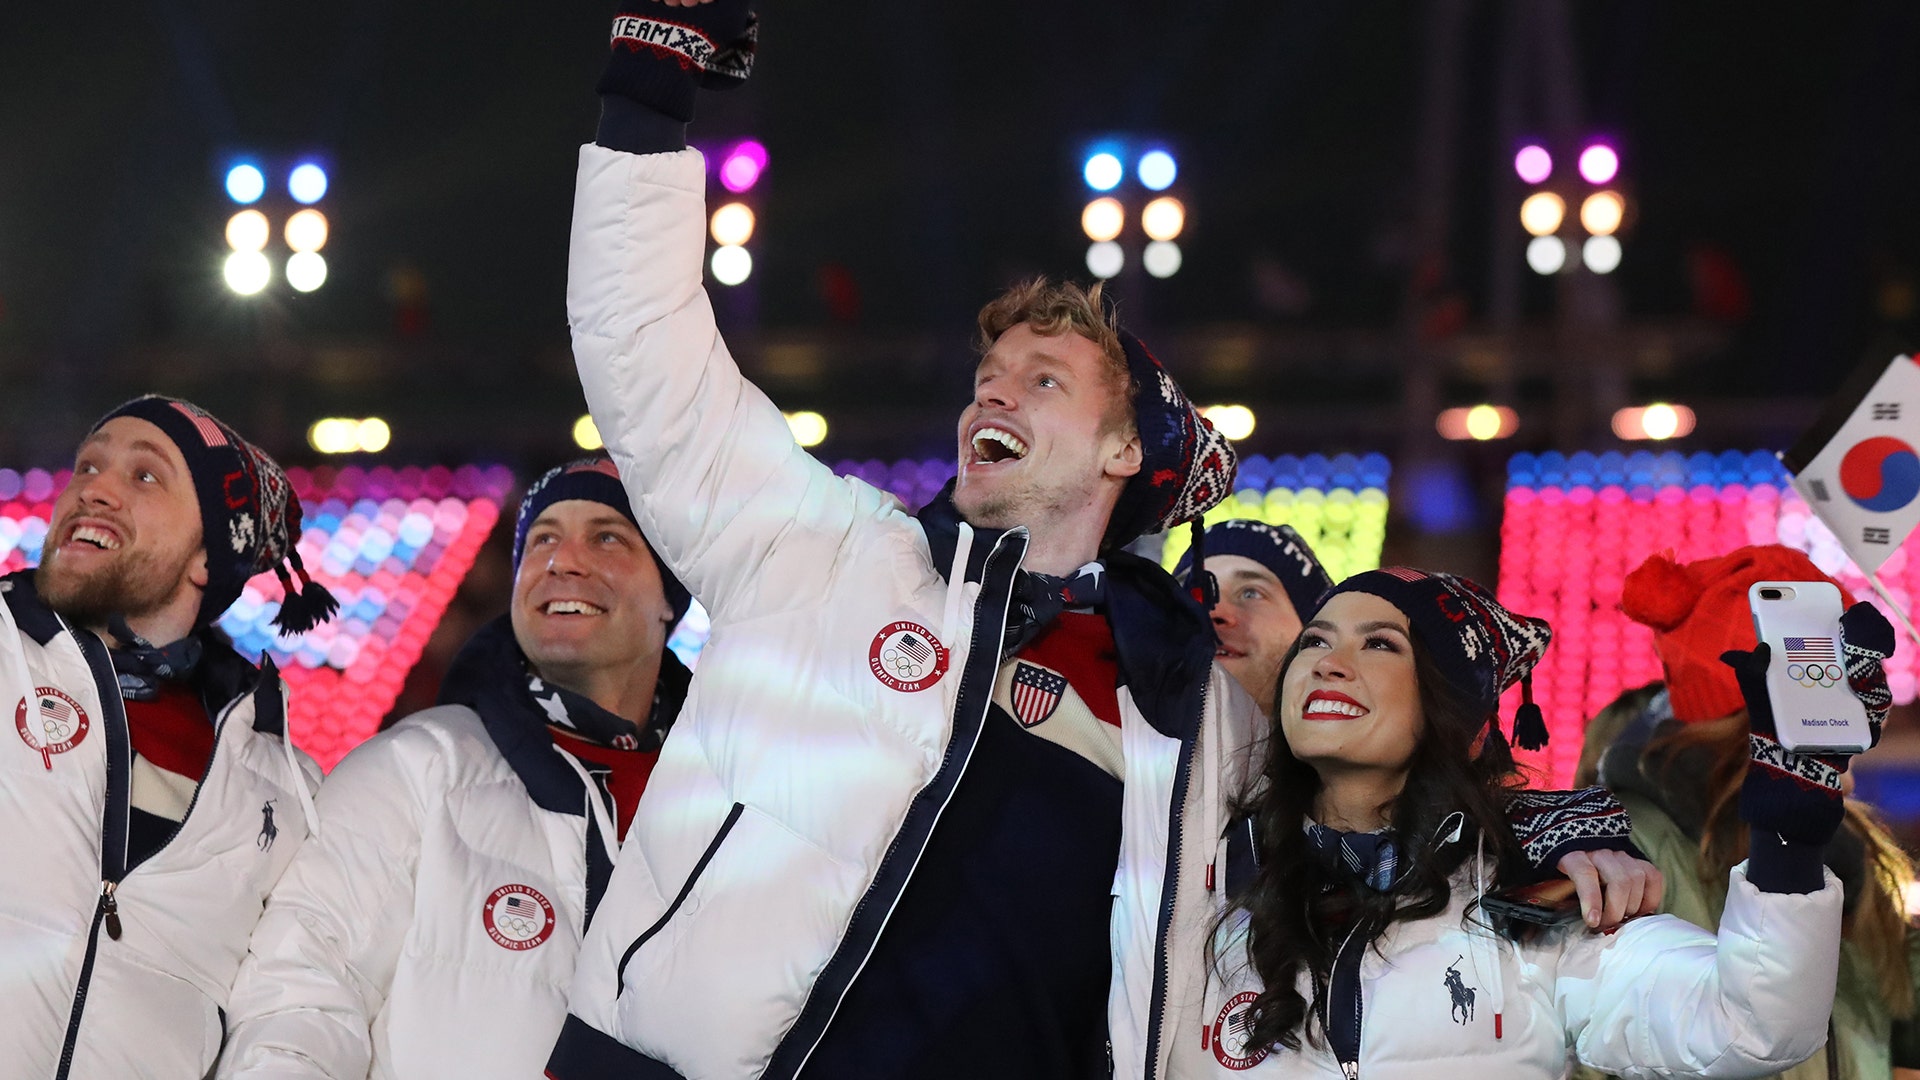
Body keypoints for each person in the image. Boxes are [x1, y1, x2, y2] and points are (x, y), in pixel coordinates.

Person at [1185, 566, 1875, 1076]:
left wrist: (1787, 849)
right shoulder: (1193, 869)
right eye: (1314, 641)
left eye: (1381, 645)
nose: (1329, 665)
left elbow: (1751, 1026)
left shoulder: (1537, 894)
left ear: (1462, 720)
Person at [215, 457, 695, 1079]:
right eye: (543, 538)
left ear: (671, 594)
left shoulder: (740, 810)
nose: (562, 560)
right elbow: (299, 995)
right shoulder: (416, 769)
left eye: (607, 537)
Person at [0, 394, 334, 1079]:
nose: (94, 489)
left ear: (209, 558)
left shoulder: (284, 788)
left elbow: (285, 1012)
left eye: (144, 476)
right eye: (87, 467)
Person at [1582, 544, 1920, 1080]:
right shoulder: (1623, 851)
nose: (1860, 729)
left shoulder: (1849, 852)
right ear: (1758, 714)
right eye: (1834, 697)